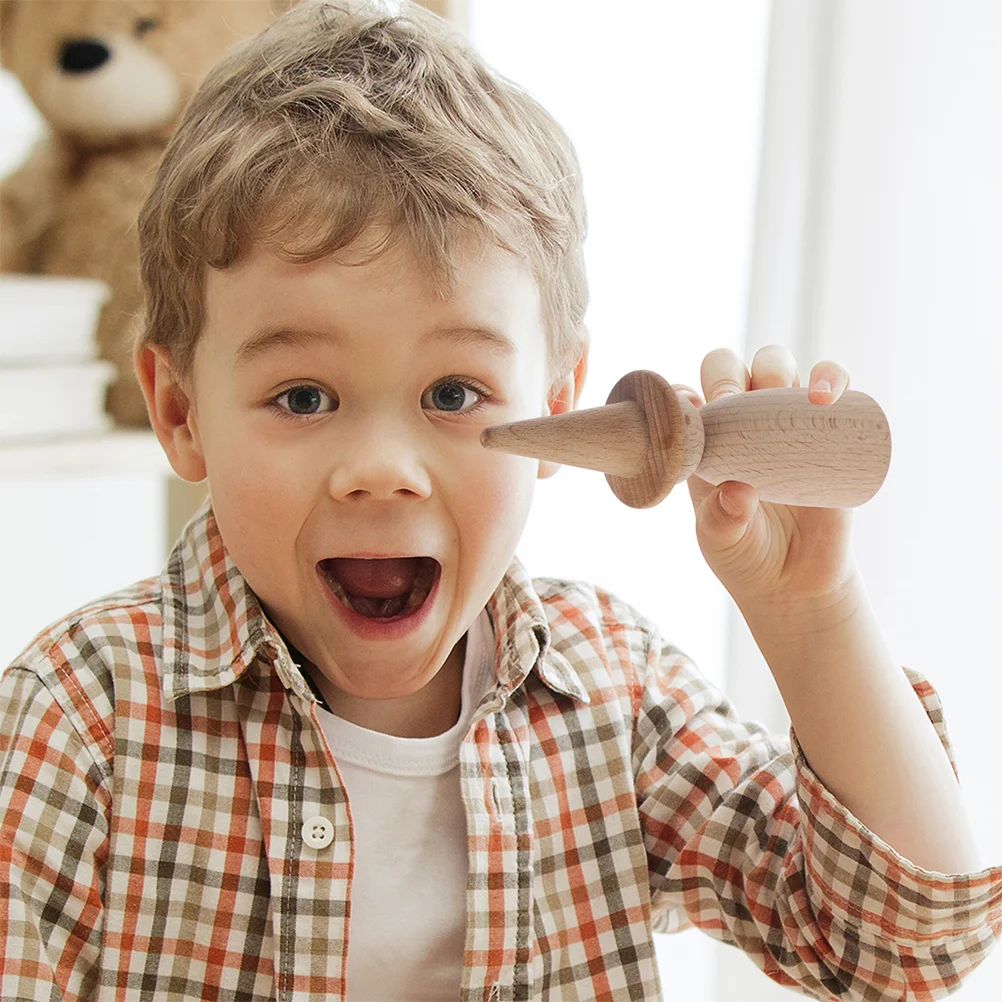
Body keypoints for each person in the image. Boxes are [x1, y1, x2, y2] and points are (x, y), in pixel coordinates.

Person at [1, 2, 999, 1000]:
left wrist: (809, 609)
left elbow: (905, 944)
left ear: (560, 406)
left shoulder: (616, 693)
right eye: (303, 397)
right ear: (179, 410)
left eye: (452, 394)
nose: (381, 469)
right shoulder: (79, 719)